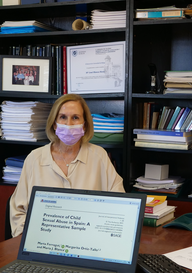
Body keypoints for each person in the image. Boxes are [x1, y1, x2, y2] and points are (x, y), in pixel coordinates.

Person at [9, 94, 125, 237]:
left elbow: (119, 205)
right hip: (42, 241)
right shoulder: (34, 159)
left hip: (87, 240)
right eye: (63, 117)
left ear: (85, 124)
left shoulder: (99, 156)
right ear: (54, 123)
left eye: (75, 117)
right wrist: (26, 240)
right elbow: (18, 211)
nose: (69, 124)